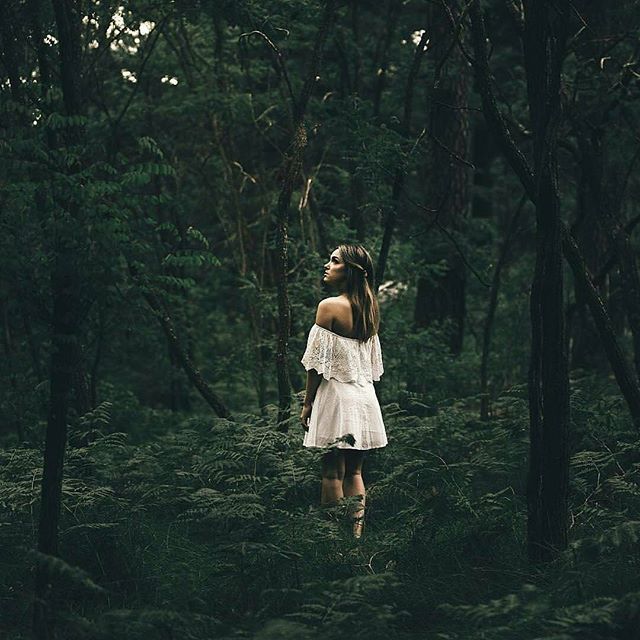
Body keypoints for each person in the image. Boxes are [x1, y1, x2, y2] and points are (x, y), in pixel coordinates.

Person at [299, 244, 387, 539]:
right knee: (355, 473)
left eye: (334, 261)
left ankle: (332, 541)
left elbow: (315, 365)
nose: (327, 265)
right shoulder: (370, 307)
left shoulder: (329, 307)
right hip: (364, 397)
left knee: (331, 474)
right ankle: (356, 539)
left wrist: (307, 403)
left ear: (348, 270)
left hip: (337, 397)